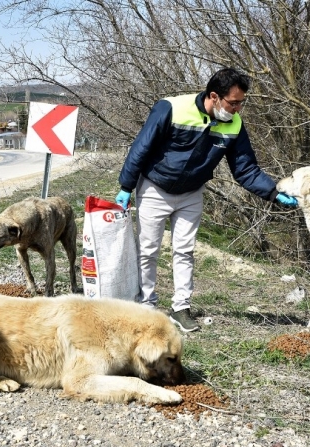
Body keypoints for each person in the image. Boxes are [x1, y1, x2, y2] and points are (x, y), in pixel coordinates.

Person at [115, 67, 297, 332]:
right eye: (233, 102)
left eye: (241, 103)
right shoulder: (171, 108)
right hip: (156, 187)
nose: (237, 109)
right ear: (214, 96)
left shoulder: (234, 125)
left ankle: (181, 308)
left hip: (191, 192)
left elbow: (245, 168)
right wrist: (126, 186)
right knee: (147, 250)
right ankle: (146, 307)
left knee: (185, 250)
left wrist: (273, 193)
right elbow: (141, 147)